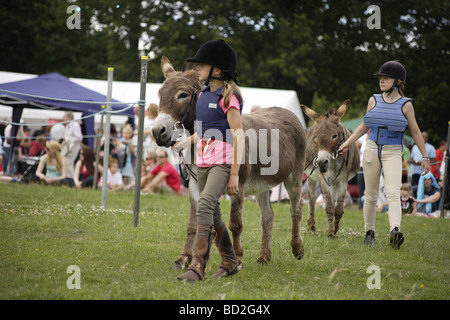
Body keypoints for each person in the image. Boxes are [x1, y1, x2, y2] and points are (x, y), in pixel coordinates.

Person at [339, 60, 430, 249]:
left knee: (393, 193)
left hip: (393, 152)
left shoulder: (406, 105)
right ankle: (369, 232)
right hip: (371, 149)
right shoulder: (373, 100)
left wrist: (425, 157)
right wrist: (347, 143)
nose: (381, 81)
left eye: (386, 78)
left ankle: (395, 230)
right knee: (370, 195)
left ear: (397, 81)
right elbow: (365, 125)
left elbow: (414, 131)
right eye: (381, 77)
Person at [174, 39, 244, 281]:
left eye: (202, 65)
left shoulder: (229, 98)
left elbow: (239, 135)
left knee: (203, 204)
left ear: (217, 69)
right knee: (212, 213)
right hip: (202, 162)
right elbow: (203, 131)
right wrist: (185, 142)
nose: (198, 69)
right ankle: (231, 261)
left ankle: (197, 266)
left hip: (222, 163)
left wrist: (234, 173)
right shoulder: (203, 96)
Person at [62, 111, 83, 177]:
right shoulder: (67, 126)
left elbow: (79, 137)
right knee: (66, 162)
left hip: (73, 146)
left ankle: (72, 179)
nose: (63, 118)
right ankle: (68, 178)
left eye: (64, 117)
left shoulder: (75, 125)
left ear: (69, 117)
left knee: (69, 163)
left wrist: (69, 139)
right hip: (67, 147)